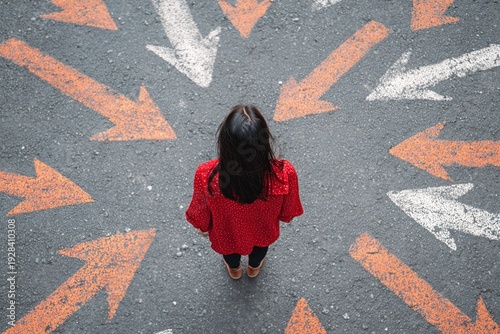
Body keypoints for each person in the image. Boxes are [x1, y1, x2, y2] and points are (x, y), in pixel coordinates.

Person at [185, 105, 303, 279]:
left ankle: (235, 271)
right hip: (263, 231)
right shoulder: (284, 173)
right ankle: (253, 269)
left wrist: (203, 226)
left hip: (227, 233)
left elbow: (200, 212)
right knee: (260, 250)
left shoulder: (206, 174)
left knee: (230, 253)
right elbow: (287, 213)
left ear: (224, 142)